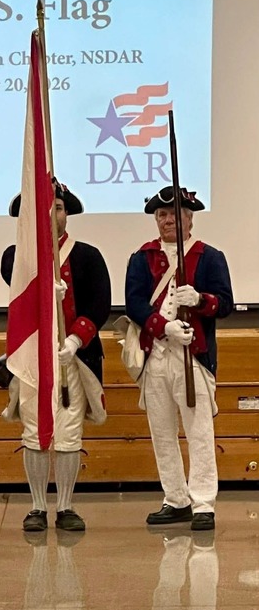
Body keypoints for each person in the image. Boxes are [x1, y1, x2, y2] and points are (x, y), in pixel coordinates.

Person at [0, 181, 111, 532]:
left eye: (58, 207)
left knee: (68, 433)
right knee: (34, 431)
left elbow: (100, 304)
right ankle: (36, 506)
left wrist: (75, 340)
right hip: (32, 357)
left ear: (67, 214)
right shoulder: (16, 256)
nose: (50, 213)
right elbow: (19, 296)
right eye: (42, 207)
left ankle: (65, 506)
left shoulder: (88, 256)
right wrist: (44, 290)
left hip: (72, 358)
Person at [125, 186, 233, 531]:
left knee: (199, 432)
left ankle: (202, 503)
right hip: (156, 355)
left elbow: (225, 304)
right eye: (162, 215)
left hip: (194, 358)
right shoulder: (141, 257)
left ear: (189, 219)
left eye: (174, 214)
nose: (167, 220)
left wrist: (200, 300)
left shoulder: (210, 256)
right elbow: (134, 303)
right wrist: (163, 327)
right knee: (162, 432)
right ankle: (175, 499)